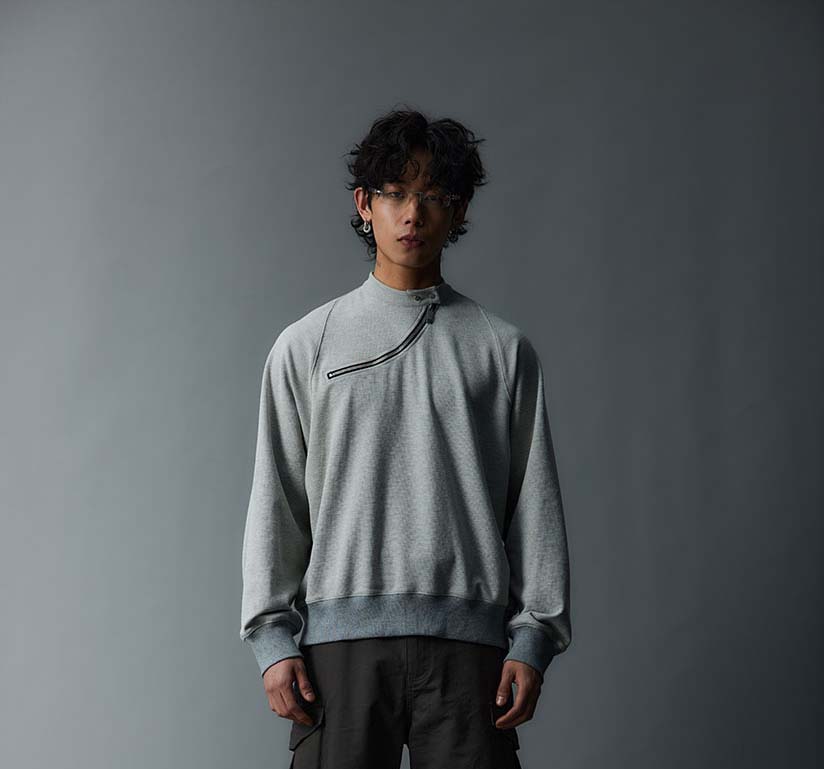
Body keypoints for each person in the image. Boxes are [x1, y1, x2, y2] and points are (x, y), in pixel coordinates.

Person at [239, 107, 571, 769]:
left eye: (433, 195)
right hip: (338, 652)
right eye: (395, 193)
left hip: (470, 653)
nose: (412, 213)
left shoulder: (502, 350)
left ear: (458, 210)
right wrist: (272, 640)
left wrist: (533, 640)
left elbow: (533, 507)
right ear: (365, 205)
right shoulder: (307, 346)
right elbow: (278, 499)